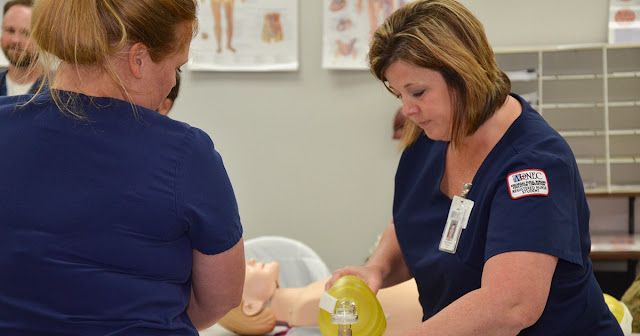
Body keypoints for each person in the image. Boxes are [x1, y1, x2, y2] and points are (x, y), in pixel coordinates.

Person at [325, 1, 624, 335]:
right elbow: (414, 222)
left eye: (418, 92)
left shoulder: (533, 164)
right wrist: (377, 268)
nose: (408, 110)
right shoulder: (430, 138)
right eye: (399, 95)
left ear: (463, 74)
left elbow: (509, 307)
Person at [0, 1, 244, 335]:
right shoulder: (185, 154)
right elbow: (221, 297)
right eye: (176, 66)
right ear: (138, 59)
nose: (172, 81)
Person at [216, 259, 423, 336]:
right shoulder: (306, 306)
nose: (250, 260)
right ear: (251, 306)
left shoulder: (306, 299)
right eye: (241, 271)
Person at [0, 0, 43, 96]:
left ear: (42, 39)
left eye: (26, 33)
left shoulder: (56, 94)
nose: (15, 40)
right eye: (10, 30)